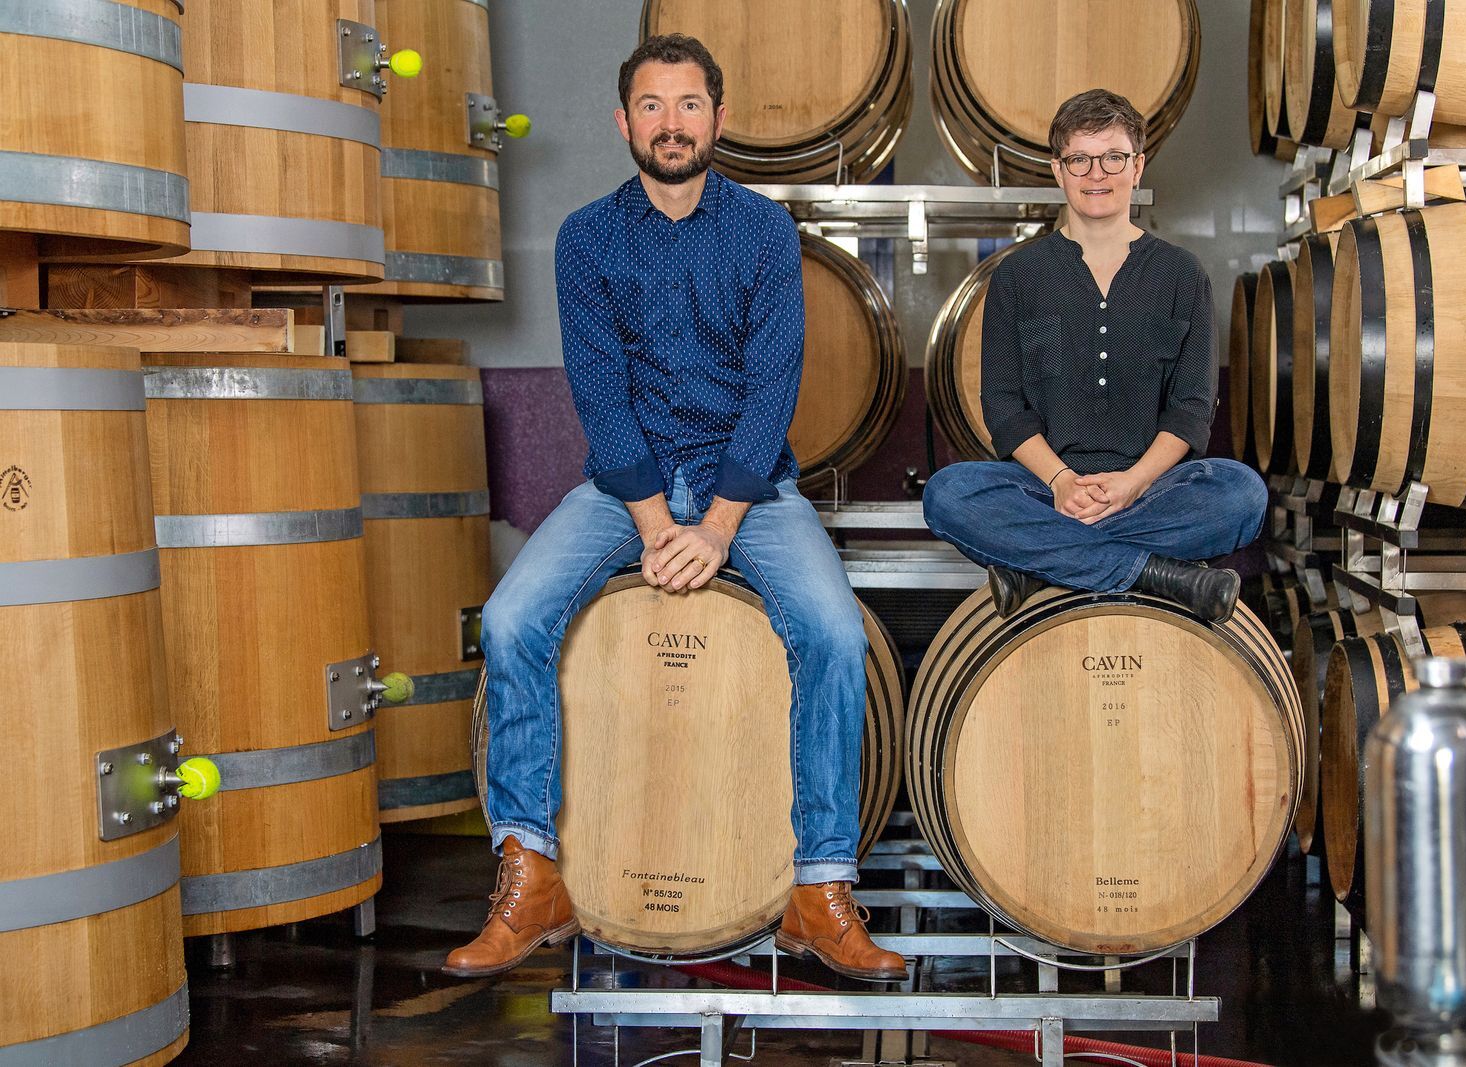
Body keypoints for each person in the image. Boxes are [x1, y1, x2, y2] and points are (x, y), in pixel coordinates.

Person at [443, 34, 907, 983]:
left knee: (833, 632)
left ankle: (819, 891)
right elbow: (601, 395)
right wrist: (658, 524)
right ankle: (531, 875)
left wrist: (720, 526)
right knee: (511, 618)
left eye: (688, 104)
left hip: (751, 487)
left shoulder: (765, 232)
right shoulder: (587, 237)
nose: (671, 124)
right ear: (624, 123)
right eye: (651, 106)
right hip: (625, 487)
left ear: (718, 119)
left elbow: (772, 392)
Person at [922, 89, 1267, 623]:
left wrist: (1132, 483)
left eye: (1113, 158)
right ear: (1058, 170)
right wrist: (1062, 482)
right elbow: (1004, 408)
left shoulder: (1182, 274)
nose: (1097, 174)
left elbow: (1191, 410)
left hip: (1153, 488)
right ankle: (1153, 572)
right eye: (1080, 159)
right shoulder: (1018, 276)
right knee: (948, 494)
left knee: (1241, 494)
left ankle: (1038, 565)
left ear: (1138, 166)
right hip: (1043, 489)